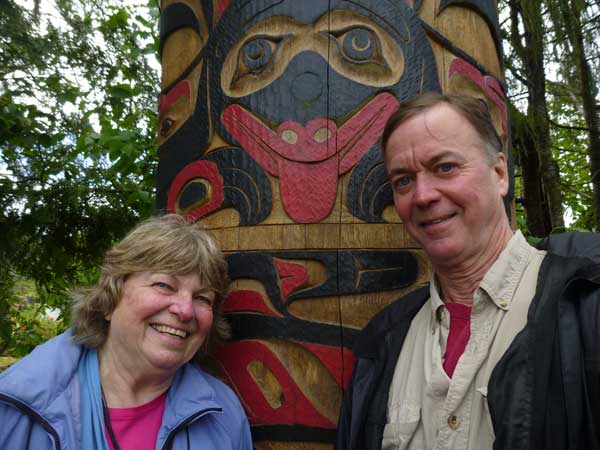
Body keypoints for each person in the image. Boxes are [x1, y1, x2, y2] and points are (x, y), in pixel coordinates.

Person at [335, 93, 600, 450]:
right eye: (403, 181)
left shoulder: (585, 304)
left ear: (500, 173)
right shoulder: (381, 345)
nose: (423, 195)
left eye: (445, 167)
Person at [0, 215, 253, 450]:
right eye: (164, 285)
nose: (185, 310)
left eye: (202, 298)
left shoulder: (224, 414)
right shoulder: (14, 404)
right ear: (111, 300)